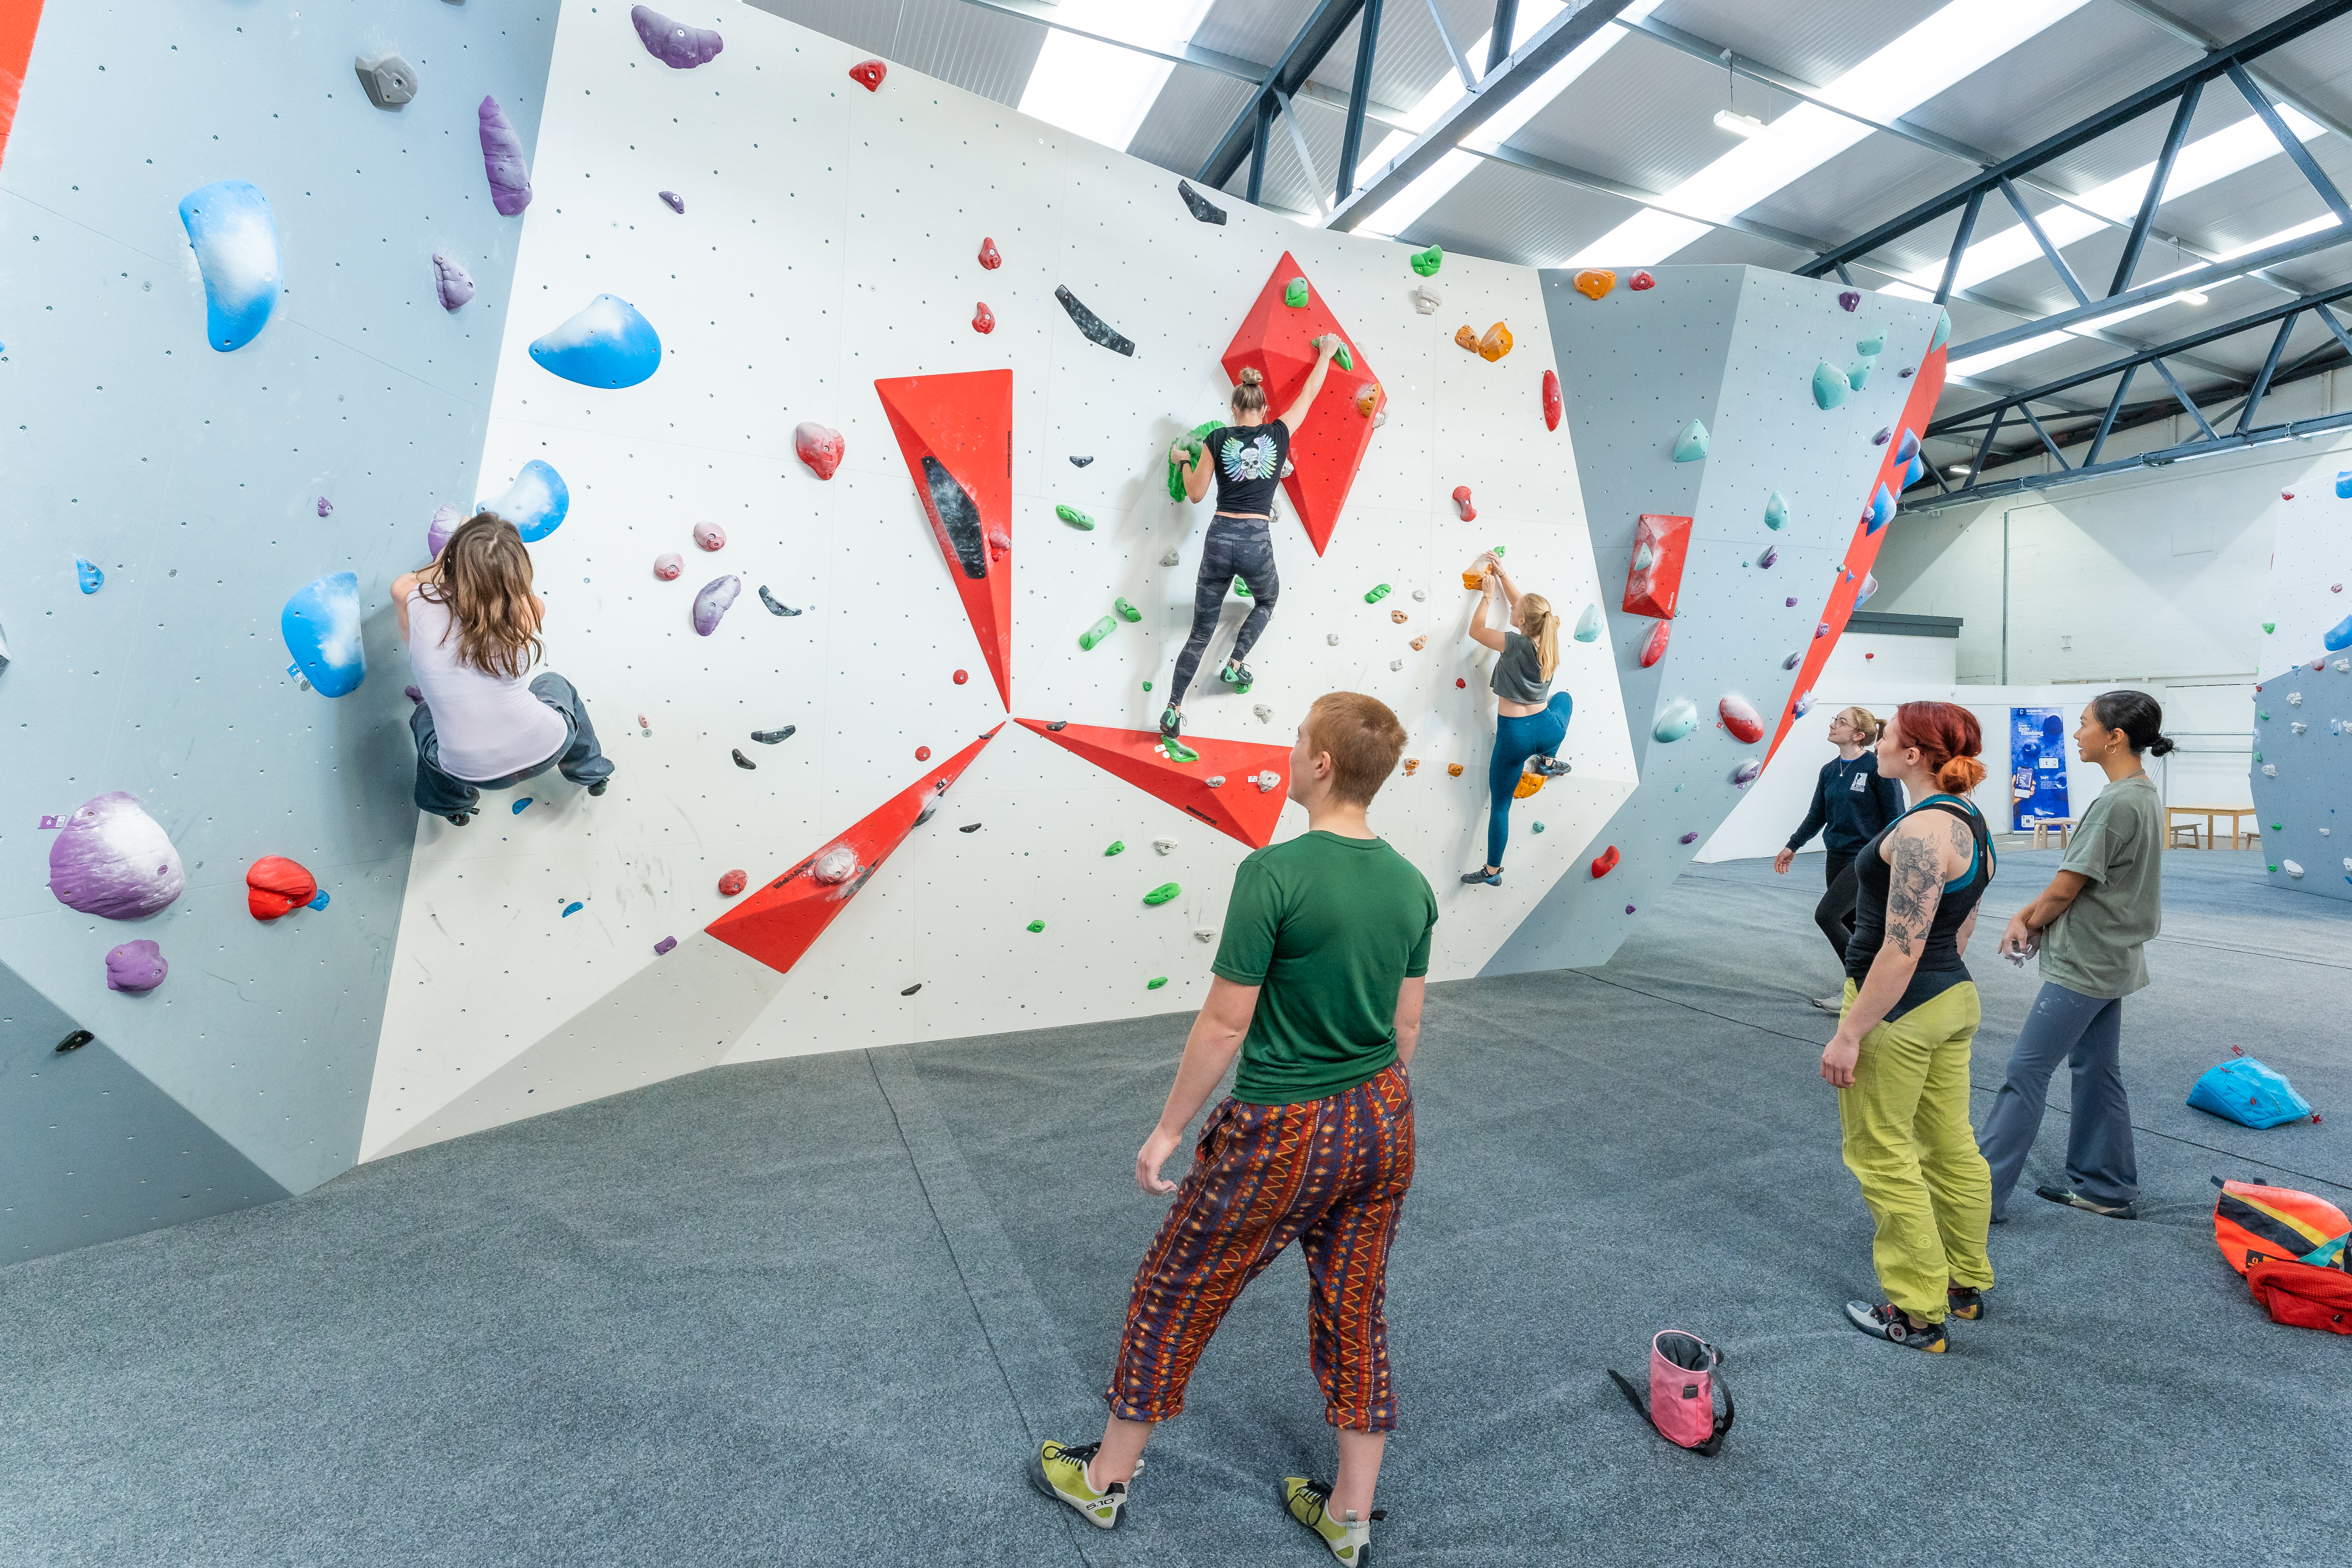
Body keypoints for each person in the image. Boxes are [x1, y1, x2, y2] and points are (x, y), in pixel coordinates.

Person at [1030, 692, 1436, 1567]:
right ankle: (1350, 1513)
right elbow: (1406, 1027)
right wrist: (1370, 1110)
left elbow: (1222, 1024)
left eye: (1297, 741)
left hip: (1283, 1126)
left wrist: (1168, 1127)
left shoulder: (1274, 872)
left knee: (1174, 1285)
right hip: (1382, 1120)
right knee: (1354, 1305)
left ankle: (1102, 1478)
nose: (1289, 752)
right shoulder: (1411, 883)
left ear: (1322, 763)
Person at [1818, 702, 1997, 1353]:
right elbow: (1965, 920)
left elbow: (1902, 948)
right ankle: (1963, 1283)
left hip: (1899, 1008)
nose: (1881, 743)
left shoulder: (1924, 831)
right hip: (1951, 1000)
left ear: (1915, 754)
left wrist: (1851, 1031)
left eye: (1889, 735)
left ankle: (1918, 1312)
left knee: (1881, 1152)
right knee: (1950, 1144)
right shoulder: (1970, 818)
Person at [1977, 692, 2170, 1223]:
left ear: (2115, 736)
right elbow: (2075, 885)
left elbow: (2065, 890)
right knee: (2096, 1068)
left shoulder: (2115, 803)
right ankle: (2106, 1186)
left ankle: (1979, 1199)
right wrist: (2026, 912)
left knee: (2025, 1071)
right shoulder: (2140, 794)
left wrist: (2027, 921)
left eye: (2083, 724)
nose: (2075, 733)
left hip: (2086, 963)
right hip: (2111, 958)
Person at [1159, 338, 1343, 738]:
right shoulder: (1278, 434)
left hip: (1219, 539)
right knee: (1267, 599)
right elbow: (1309, 395)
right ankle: (1237, 661)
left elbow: (1194, 493)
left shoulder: (1217, 439)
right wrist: (1325, 355)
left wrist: (1183, 458)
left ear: (1233, 409)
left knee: (1200, 631)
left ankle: (1173, 709)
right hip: (1255, 541)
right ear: (1265, 410)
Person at [394, 512, 614, 825]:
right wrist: (491, 557)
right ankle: (591, 772)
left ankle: (453, 804)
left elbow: (406, 582)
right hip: (548, 747)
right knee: (554, 683)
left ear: (453, 563)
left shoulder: (413, 602)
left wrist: (456, 546)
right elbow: (514, 592)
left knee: (424, 717)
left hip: (470, 771)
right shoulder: (529, 610)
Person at [1773, 707, 1906, 1008]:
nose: (1833, 725)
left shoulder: (1877, 767)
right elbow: (1817, 815)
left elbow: (1895, 819)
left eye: (1841, 722)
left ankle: (1866, 988)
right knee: (1854, 924)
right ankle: (1865, 989)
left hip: (1866, 859)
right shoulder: (1830, 770)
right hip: (1836, 857)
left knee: (1827, 915)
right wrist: (1792, 845)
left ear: (1859, 735)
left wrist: (1886, 860)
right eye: (1835, 719)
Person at [1460, 552, 1573, 885]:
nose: (1511, 609)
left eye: (1515, 612)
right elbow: (1526, 605)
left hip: (1514, 738)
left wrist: (1487, 596)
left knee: (1500, 807)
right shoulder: (1550, 631)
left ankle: (1493, 871)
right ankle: (1549, 761)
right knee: (1564, 699)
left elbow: (1477, 631)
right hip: (1546, 730)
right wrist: (1504, 573)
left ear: (1522, 623)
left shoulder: (1512, 643)